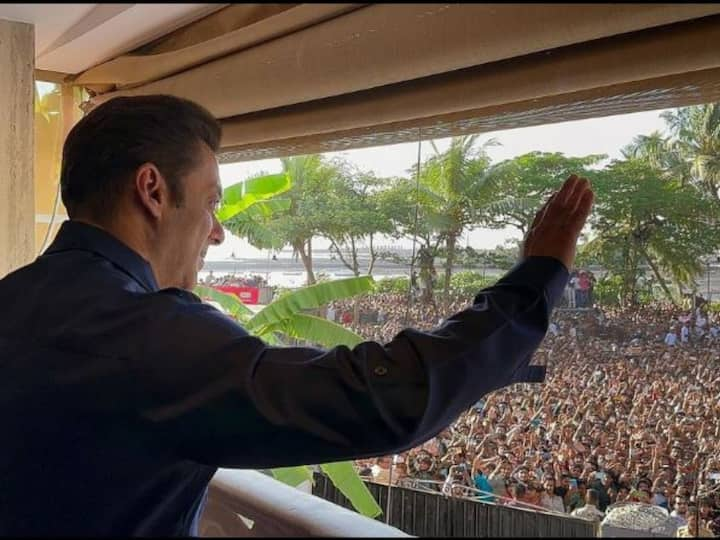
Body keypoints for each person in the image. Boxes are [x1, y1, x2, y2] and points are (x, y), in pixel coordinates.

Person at [0, 94, 594, 536]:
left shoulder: (14, 299)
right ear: (152, 191)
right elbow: (384, 399)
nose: (219, 229)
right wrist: (535, 280)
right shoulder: (146, 337)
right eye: (211, 203)